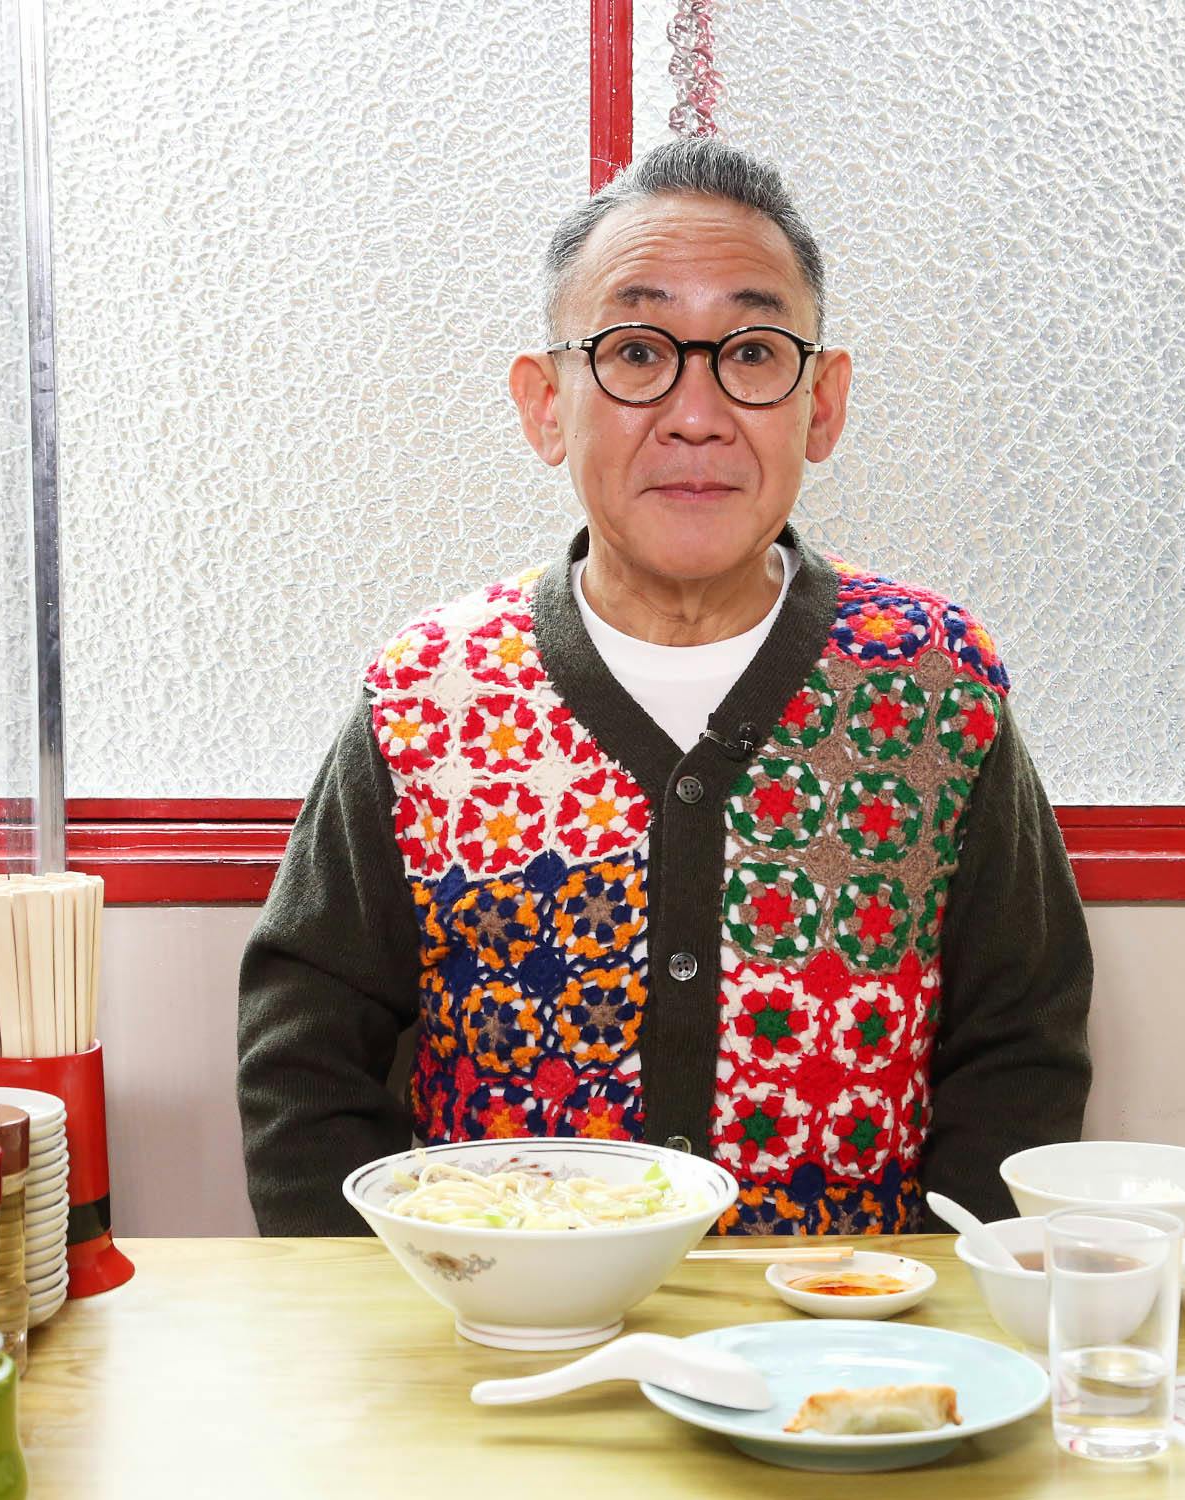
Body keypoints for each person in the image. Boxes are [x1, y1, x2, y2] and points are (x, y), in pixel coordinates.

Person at [238, 136, 1092, 1236]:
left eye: (754, 352)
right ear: (546, 404)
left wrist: (933, 1304)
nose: (697, 414)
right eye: (636, 352)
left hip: (844, 1328)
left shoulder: (934, 683)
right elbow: (303, 1052)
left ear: (823, 403)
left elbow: (1022, 1041)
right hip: (504, 1324)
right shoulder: (430, 695)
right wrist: (387, 1299)